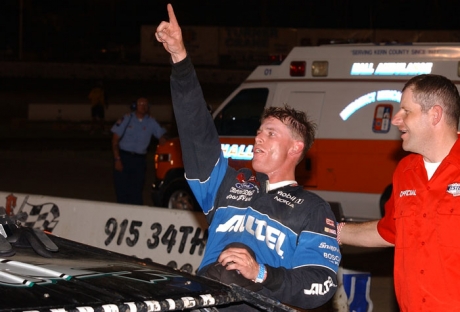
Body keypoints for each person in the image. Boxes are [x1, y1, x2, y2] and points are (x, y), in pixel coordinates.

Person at [155, 4, 340, 311]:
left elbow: (321, 283)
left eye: (270, 133)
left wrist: (261, 273)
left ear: (295, 148)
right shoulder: (227, 182)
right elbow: (196, 131)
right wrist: (180, 59)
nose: (258, 137)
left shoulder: (313, 210)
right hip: (207, 301)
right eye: (259, 131)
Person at [337, 74, 460, 311]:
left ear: (435, 115)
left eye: (406, 111)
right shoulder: (405, 171)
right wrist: (332, 231)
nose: (395, 119)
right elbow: (390, 231)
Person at [111, 97, 166, 205]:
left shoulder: (151, 121)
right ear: (135, 106)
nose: (143, 106)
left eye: (146, 104)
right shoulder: (127, 119)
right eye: (141, 104)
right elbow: (115, 139)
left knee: (136, 191)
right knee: (122, 190)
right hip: (124, 157)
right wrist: (117, 159)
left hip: (139, 161)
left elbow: (161, 136)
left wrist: (163, 139)